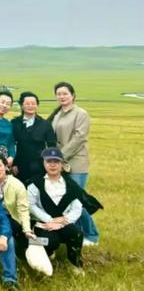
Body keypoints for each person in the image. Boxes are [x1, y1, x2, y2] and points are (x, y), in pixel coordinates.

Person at [49, 81, 99, 246]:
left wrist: (60, 157)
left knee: (76, 200)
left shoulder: (80, 114)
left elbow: (79, 138)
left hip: (76, 162)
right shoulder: (57, 115)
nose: (62, 96)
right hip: (61, 163)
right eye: (59, 94)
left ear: (73, 96)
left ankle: (92, 235)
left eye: (65, 93)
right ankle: (77, 234)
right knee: (66, 202)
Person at [0, 154, 49, 275]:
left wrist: (27, 229)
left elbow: (23, 210)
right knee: (9, 236)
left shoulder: (17, 185)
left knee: (32, 240)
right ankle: (14, 259)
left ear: (6, 167)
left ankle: (41, 247)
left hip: (14, 220)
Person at [28, 147, 85, 272]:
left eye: (56, 162)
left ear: (62, 165)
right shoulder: (35, 183)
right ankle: (47, 253)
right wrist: (50, 220)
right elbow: (31, 206)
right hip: (43, 224)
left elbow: (77, 207)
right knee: (50, 241)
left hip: (63, 222)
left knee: (77, 234)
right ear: (43, 163)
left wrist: (63, 222)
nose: (52, 165)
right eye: (49, 161)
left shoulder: (71, 184)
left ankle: (74, 263)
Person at [10, 91, 56, 185]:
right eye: (27, 103)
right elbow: (11, 144)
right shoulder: (15, 123)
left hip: (40, 166)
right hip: (20, 165)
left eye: (33, 103)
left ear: (37, 105)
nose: (30, 106)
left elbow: (52, 146)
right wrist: (14, 163)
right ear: (21, 106)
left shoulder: (45, 124)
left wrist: (50, 165)